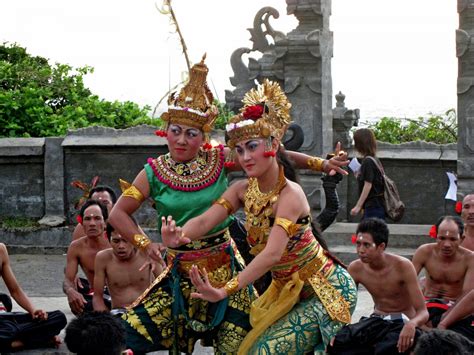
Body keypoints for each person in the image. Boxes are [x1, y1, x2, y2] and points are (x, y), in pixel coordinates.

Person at [108, 57, 350, 354]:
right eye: (175, 130)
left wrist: (321, 164)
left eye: (191, 133)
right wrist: (176, 236)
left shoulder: (269, 184)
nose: (245, 158)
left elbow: (272, 253)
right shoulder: (228, 186)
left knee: (251, 350)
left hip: (289, 281)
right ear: (165, 130)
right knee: (125, 336)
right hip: (185, 272)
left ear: (203, 138)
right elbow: (205, 219)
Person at [327, 218, 428, 354]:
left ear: (381, 246)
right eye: (358, 244)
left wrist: (412, 325)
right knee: (337, 344)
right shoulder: (356, 268)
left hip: (401, 323)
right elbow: (342, 305)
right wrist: (334, 329)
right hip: (376, 321)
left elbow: (423, 312)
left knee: (384, 350)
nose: (361, 250)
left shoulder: (403, 266)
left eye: (367, 245)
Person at [0, 243, 67, 352]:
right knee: (8, 330)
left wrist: (33, 310)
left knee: (58, 317)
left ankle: (13, 340)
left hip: (4, 319)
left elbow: (15, 290)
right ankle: (32, 340)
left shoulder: (1, 250)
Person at [412, 215, 474, 327]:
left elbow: (467, 296)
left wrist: (443, 322)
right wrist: (418, 319)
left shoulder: (470, 259)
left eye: (452, 239)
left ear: (462, 239)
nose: (446, 245)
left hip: (454, 308)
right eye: (442, 238)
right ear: (436, 237)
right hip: (426, 306)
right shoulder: (424, 252)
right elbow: (406, 283)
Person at [93, 223, 163, 313]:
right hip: (119, 313)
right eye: (116, 241)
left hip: (147, 311)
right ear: (108, 239)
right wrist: (104, 320)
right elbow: (97, 297)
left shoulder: (148, 254)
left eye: (125, 240)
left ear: (134, 239)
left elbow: (165, 286)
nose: (121, 246)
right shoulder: (103, 258)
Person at [63, 199, 111, 315]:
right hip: (95, 295)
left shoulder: (116, 243)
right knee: (77, 303)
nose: (92, 223)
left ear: (105, 223)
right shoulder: (76, 247)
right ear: (82, 224)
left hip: (118, 296)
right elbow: (68, 280)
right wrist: (70, 291)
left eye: (97, 218)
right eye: (88, 219)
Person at [350, 128, 385, 220]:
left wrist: (358, 206)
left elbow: (368, 185)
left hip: (372, 206)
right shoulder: (374, 159)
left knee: (368, 233)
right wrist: (359, 176)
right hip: (378, 204)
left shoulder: (367, 161)